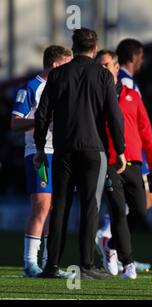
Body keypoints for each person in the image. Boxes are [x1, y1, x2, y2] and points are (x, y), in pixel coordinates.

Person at [34, 28, 126, 279]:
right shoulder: (104, 76)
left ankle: (51, 265)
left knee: (60, 206)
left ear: (73, 47)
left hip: (63, 148)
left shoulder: (57, 75)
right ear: (95, 49)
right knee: (90, 206)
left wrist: (40, 147)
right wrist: (120, 149)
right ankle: (86, 266)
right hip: (93, 150)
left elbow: (43, 114)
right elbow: (114, 116)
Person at [95, 50, 152, 279]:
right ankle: (128, 262)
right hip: (108, 162)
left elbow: (145, 130)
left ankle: (110, 244)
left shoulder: (132, 96)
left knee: (141, 210)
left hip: (134, 162)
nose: (103, 69)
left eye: (106, 65)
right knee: (117, 212)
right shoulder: (94, 98)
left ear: (116, 67)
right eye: (99, 66)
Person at [11, 45, 72, 277]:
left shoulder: (64, 87)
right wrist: (41, 120)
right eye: (67, 64)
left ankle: (50, 263)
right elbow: (15, 123)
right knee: (42, 206)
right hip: (39, 152)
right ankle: (30, 263)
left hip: (62, 153)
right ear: (56, 65)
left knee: (55, 208)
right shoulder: (31, 87)